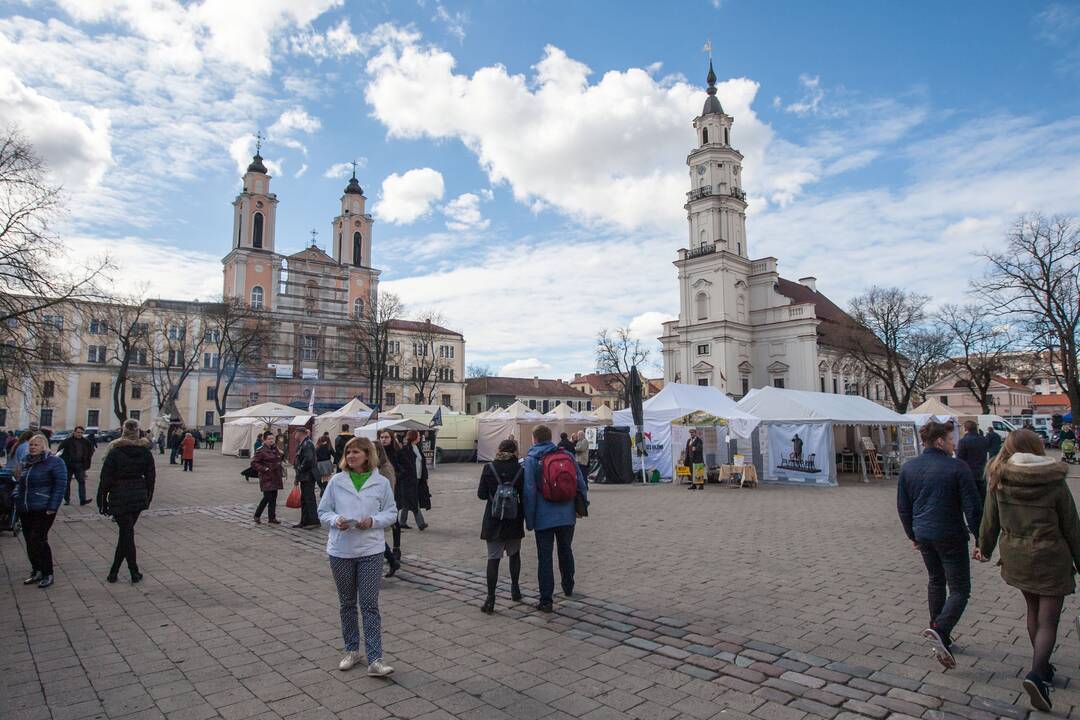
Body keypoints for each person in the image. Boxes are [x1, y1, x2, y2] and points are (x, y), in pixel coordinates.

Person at [976, 429, 1079, 711]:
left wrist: (983, 549)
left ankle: (1042, 668)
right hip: (1050, 555)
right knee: (1049, 620)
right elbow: (1072, 525)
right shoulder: (1053, 480)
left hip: (1017, 555)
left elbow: (990, 520)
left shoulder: (1000, 477)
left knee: (1033, 610)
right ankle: (1038, 675)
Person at [897, 420, 981, 669]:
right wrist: (981, 539)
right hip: (950, 533)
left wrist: (912, 534)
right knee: (960, 589)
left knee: (936, 580)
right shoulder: (957, 467)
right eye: (950, 439)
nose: (954, 443)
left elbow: (903, 507)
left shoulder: (909, 467)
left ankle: (938, 630)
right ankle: (941, 628)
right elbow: (972, 508)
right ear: (940, 441)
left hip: (923, 532)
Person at [318, 436, 397, 676]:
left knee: (370, 605)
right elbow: (323, 511)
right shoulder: (336, 481)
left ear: (367, 455)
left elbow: (392, 513)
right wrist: (336, 520)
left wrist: (373, 521)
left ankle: (375, 658)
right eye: (348, 452)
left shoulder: (380, 482)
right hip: (341, 550)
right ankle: (352, 649)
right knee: (347, 604)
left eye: (356, 452)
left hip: (370, 550)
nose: (351, 456)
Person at [523, 424, 589, 613]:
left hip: (543, 516)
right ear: (550, 437)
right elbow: (580, 483)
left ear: (535, 439)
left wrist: (529, 519)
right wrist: (583, 505)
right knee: (565, 549)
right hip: (567, 514)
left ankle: (546, 599)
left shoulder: (532, 459)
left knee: (545, 556)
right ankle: (568, 585)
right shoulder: (566, 455)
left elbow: (529, 491)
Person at [97, 420, 155, 583]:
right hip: (138, 493)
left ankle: (124, 571)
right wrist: (148, 496)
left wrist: (102, 498)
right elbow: (151, 477)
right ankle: (125, 571)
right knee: (126, 533)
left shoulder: (115, 452)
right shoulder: (145, 452)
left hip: (119, 493)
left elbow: (105, 477)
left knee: (126, 533)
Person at [13, 433, 67, 588]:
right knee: (29, 540)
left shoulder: (54, 462)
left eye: (36, 445)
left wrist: (53, 506)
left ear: (44, 446)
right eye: (31, 445)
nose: (33, 447)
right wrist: (16, 495)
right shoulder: (26, 462)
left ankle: (47, 572)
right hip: (26, 506)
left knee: (39, 539)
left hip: (44, 507)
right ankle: (36, 570)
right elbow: (19, 482)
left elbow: (60, 485)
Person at [478, 438, 525, 613]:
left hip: (493, 519)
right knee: (514, 554)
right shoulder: (520, 469)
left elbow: (481, 494)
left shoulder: (489, 468)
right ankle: (515, 589)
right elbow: (525, 496)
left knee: (493, 559)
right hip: (514, 519)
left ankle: (490, 598)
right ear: (515, 451)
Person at [373, 434, 402, 578]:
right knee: (374, 536)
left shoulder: (385, 468)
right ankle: (392, 561)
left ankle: (391, 559)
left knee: (374, 536)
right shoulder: (374, 467)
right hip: (374, 506)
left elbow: (389, 489)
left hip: (382, 507)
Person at [396, 430, 429, 530]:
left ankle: (402, 522)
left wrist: (425, 477)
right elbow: (402, 464)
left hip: (418, 479)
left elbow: (422, 464)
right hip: (409, 480)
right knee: (414, 501)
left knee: (408, 502)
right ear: (414, 437)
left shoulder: (417, 448)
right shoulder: (406, 449)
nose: (420, 437)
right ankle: (421, 523)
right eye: (418, 435)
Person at [251, 431, 284, 525]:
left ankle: (272, 517)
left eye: (272, 439)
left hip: (276, 476)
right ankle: (257, 515)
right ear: (264, 440)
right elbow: (254, 463)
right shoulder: (261, 450)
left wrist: (281, 454)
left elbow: (278, 458)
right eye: (269, 439)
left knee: (274, 498)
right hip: (267, 477)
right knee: (267, 497)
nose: (271, 440)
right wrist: (264, 468)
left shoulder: (274, 448)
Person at [57, 425, 94, 506]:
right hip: (68, 465)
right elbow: (60, 451)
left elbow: (91, 450)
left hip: (80, 465)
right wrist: (63, 461)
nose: (79, 434)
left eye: (81, 433)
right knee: (67, 483)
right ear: (74, 432)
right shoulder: (67, 441)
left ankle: (82, 500)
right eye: (78, 432)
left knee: (82, 482)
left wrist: (87, 459)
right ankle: (67, 499)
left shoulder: (85, 441)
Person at [293, 427, 320, 528]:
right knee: (304, 499)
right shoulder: (302, 443)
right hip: (304, 476)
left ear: (300, 433)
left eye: (296, 433)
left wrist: (300, 469)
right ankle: (304, 521)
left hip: (308, 475)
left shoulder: (307, 444)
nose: (294, 435)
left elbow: (308, 460)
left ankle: (313, 521)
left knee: (309, 498)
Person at [956, 420, 990, 500]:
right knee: (983, 496)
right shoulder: (984, 440)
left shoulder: (963, 441)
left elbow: (959, 458)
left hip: (969, 472)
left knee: (971, 498)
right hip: (982, 471)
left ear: (966, 429)